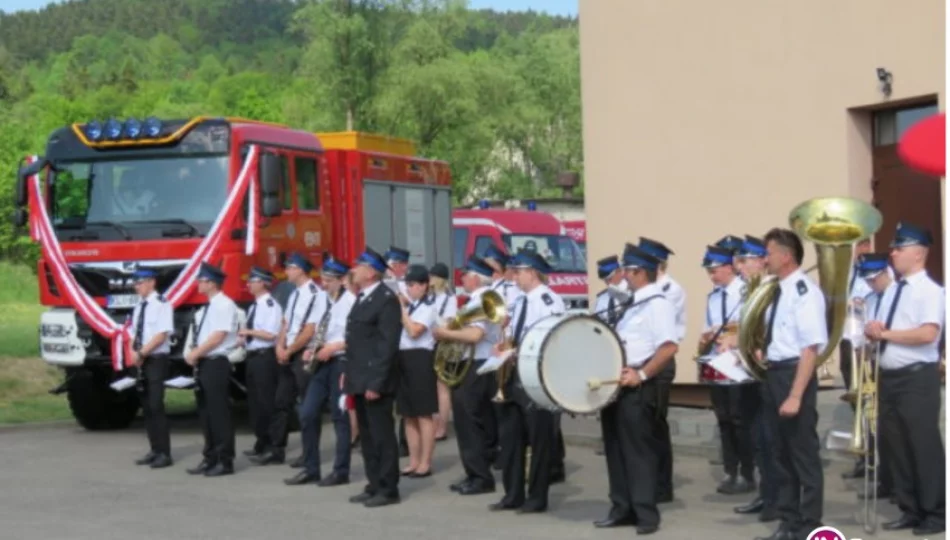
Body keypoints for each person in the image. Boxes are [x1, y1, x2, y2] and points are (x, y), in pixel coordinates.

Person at [866, 222, 945, 536]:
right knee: (896, 447)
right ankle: (910, 508)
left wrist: (884, 333)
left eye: (899, 248)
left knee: (922, 446)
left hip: (916, 380)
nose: (893, 252)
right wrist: (873, 329)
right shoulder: (893, 289)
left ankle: (936, 512)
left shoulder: (930, 290)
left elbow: (928, 334)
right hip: (890, 377)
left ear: (918, 254)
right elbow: (883, 326)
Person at [593, 243, 677, 535]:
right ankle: (621, 508)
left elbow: (668, 346)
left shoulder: (658, 304)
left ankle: (646, 514)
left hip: (638, 386)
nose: (623, 275)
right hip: (615, 384)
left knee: (638, 452)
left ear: (641, 272)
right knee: (615, 449)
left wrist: (642, 373)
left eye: (628, 270)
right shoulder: (630, 302)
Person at [755, 228, 828, 540]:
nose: (764, 259)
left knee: (802, 454)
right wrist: (764, 350)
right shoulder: (778, 290)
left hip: (793, 376)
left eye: (768, 253)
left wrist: (796, 395)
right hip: (775, 373)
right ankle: (788, 521)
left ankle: (809, 525)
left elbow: (809, 348)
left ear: (785, 256)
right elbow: (783, 336)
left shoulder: (804, 292)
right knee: (780, 453)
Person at [491, 251, 565, 514]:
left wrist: (518, 351)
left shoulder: (547, 299)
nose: (514, 276)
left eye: (518, 271)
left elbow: (552, 338)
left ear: (532, 272)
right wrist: (504, 346)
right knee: (511, 438)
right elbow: (518, 333)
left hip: (536, 377)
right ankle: (512, 494)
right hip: (514, 374)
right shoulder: (520, 300)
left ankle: (537, 497)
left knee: (539, 438)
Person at [433, 255, 503, 496]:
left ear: (474, 277)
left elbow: (475, 336)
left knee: (468, 422)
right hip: (475, 363)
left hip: (476, 364)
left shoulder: (481, 299)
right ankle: (475, 473)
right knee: (472, 421)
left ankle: (480, 476)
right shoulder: (477, 298)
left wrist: (446, 333)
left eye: (465, 274)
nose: (462, 278)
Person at [285, 256, 356, 487]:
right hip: (321, 361)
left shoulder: (351, 301)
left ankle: (340, 470)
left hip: (340, 361)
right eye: (323, 279)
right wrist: (311, 349)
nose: (323, 284)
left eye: (329, 280)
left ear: (341, 280)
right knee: (307, 412)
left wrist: (333, 347)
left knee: (339, 416)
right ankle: (310, 467)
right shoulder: (322, 300)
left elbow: (355, 336)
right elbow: (317, 328)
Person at [252, 253, 326, 466]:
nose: (287, 272)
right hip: (288, 352)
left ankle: (309, 451)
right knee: (281, 401)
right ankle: (277, 448)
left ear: (301, 269)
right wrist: (279, 346)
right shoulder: (293, 294)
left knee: (307, 405)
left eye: (291, 268)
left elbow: (310, 329)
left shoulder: (315, 294)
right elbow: (286, 323)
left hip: (302, 354)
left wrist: (291, 349)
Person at [344, 247, 403, 508]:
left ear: (370, 272)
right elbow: (357, 342)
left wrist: (375, 382)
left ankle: (388, 488)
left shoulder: (386, 299)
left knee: (382, 436)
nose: (353, 270)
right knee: (367, 437)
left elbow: (386, 345)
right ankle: (374, 483)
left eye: (358, 266)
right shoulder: (364, 297)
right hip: (359, 376)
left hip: (375, 380)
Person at [700, 244, 757, 495]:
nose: (711, 276)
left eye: (714, 271)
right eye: (709, 272)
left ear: (727, 267)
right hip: (717, 362)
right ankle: (729, 470)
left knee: (741, 420)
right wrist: (706, 338)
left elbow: (751, 327)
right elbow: (707, 327)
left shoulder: (746, 292)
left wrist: (731, 337)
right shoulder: (713, 296)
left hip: (738, 363)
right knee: (723, 419)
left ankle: (747, 472)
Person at [732, 235, 780, 523]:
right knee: (758, 441)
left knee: (770, 440)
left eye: (747, 260)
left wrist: (755, 348)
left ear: (762, 260)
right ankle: (765, 495)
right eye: (741, 261)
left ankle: (775, 500)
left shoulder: (771, 290)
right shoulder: (751, 290)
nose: (742, 266)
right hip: (751, 372)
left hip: (767, 373)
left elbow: (769, 331)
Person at [637, 236, 684, 503]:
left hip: (660, 361)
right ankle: (649, 480)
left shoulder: (669, 290)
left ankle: (662, 484)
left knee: (656, 423)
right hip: (644, 360)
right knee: (644, 427)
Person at [185, 263, 241, 477]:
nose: (198, 284)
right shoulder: (206, 308)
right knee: (206, 412)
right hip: (204, 362)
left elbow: (218, 336)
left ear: (212, 283)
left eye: (201, 281)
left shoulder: (224, 305)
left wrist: (196, 352)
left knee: (219, 413)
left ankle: (224, 459)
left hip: (217, 361)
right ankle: (210, 456)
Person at [851, 252, 894, 501]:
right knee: (875, 425)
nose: (870, 284)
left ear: (885, 272)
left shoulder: (896, 296)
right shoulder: (867, 299)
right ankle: (883, 479)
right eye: (866, 280)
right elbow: (858, 336)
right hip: (872, 363)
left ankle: (898, 482)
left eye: (874, 278)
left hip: (890, 364)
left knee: (892, 430)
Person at [397, 264, 440, 477]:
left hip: (420, 358)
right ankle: (413, 460)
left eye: (413, 285)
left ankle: (425, 462)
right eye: (407, 285)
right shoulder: (413, 306)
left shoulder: (428, 308)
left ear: (424, 286)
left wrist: (402, 310)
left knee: (423, 414)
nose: (409, 289)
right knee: (408, 414)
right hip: (403, 357)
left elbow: (414, 331)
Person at [129, 267, 174, 469]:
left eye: (139, 283)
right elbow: (134, 332)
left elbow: (161, 335)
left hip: (156, 358)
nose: (136, 287)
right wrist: (133, 351)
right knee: (146, 406)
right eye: (135, 283)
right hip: (142, 358)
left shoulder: (161, 304)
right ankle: (154, 449)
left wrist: (142, 352)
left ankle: (164, 452)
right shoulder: (140, 305)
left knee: (156, 405)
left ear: (151, 282)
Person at [239, 267, 283, 459]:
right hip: (253, 356)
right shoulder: (254, 306)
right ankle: (261, 441)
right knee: (255, 403)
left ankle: (274, 447)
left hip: (265, 356)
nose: (249, 284)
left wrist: (249, 333)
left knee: (267, 402)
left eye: (253, 281)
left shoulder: (270, 305)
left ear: (264, 283)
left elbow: (271, 334)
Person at [839, 238, 874, 480]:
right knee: (856, 402)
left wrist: (861, 304)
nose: (863, 250)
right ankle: (863, 455)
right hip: (846, 341)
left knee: (869, 402)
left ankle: (874, 455)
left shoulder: (877, 274)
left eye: (867, 244)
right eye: (859, 245)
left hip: (865, 344)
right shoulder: (845, 274)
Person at [385, 245, 411, 457]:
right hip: (388, 345)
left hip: (404, 344)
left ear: (403, 266)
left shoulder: (408, 286)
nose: (391, 269)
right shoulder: (385, 285)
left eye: (394, 265)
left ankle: (405, 442)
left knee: (404, 397)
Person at [428, 262, 457, 441]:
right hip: (429, 343)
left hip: (442, 344)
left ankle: (442, 426)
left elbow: (449, 322)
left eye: (432, 277)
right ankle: (434, 422)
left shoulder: (448, 298)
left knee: (442, 387)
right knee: (432, 387)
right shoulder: (431, 296)